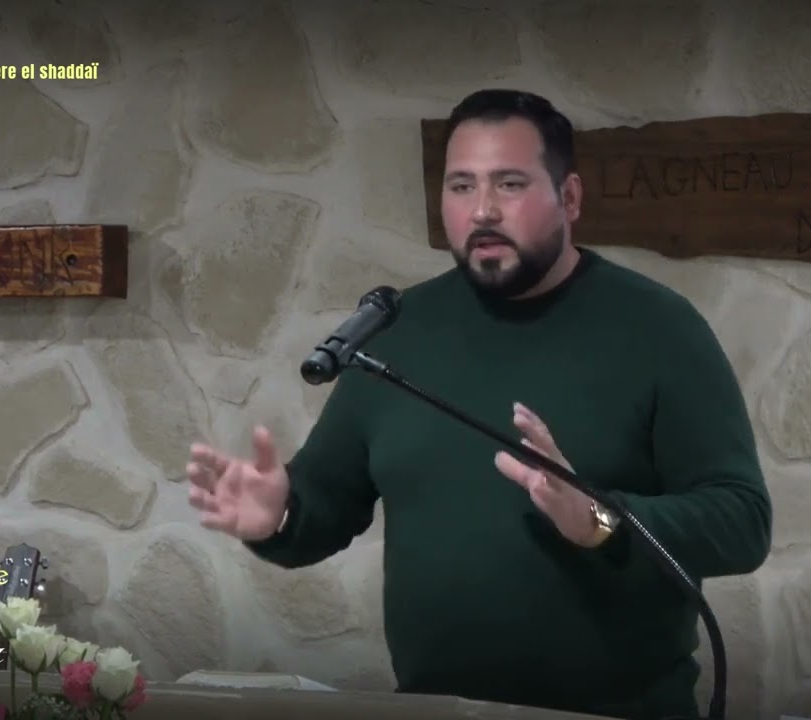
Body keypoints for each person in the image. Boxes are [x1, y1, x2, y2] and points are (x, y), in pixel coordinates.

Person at [186, 88, 772, 720]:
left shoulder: (660, 329)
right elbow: (322, 506)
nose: (483, 211)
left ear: (569, 197)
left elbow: (741, 522)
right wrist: (277, 516)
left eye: (510, 184)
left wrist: (599, 522)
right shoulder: (396, 331)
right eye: (461, 186)